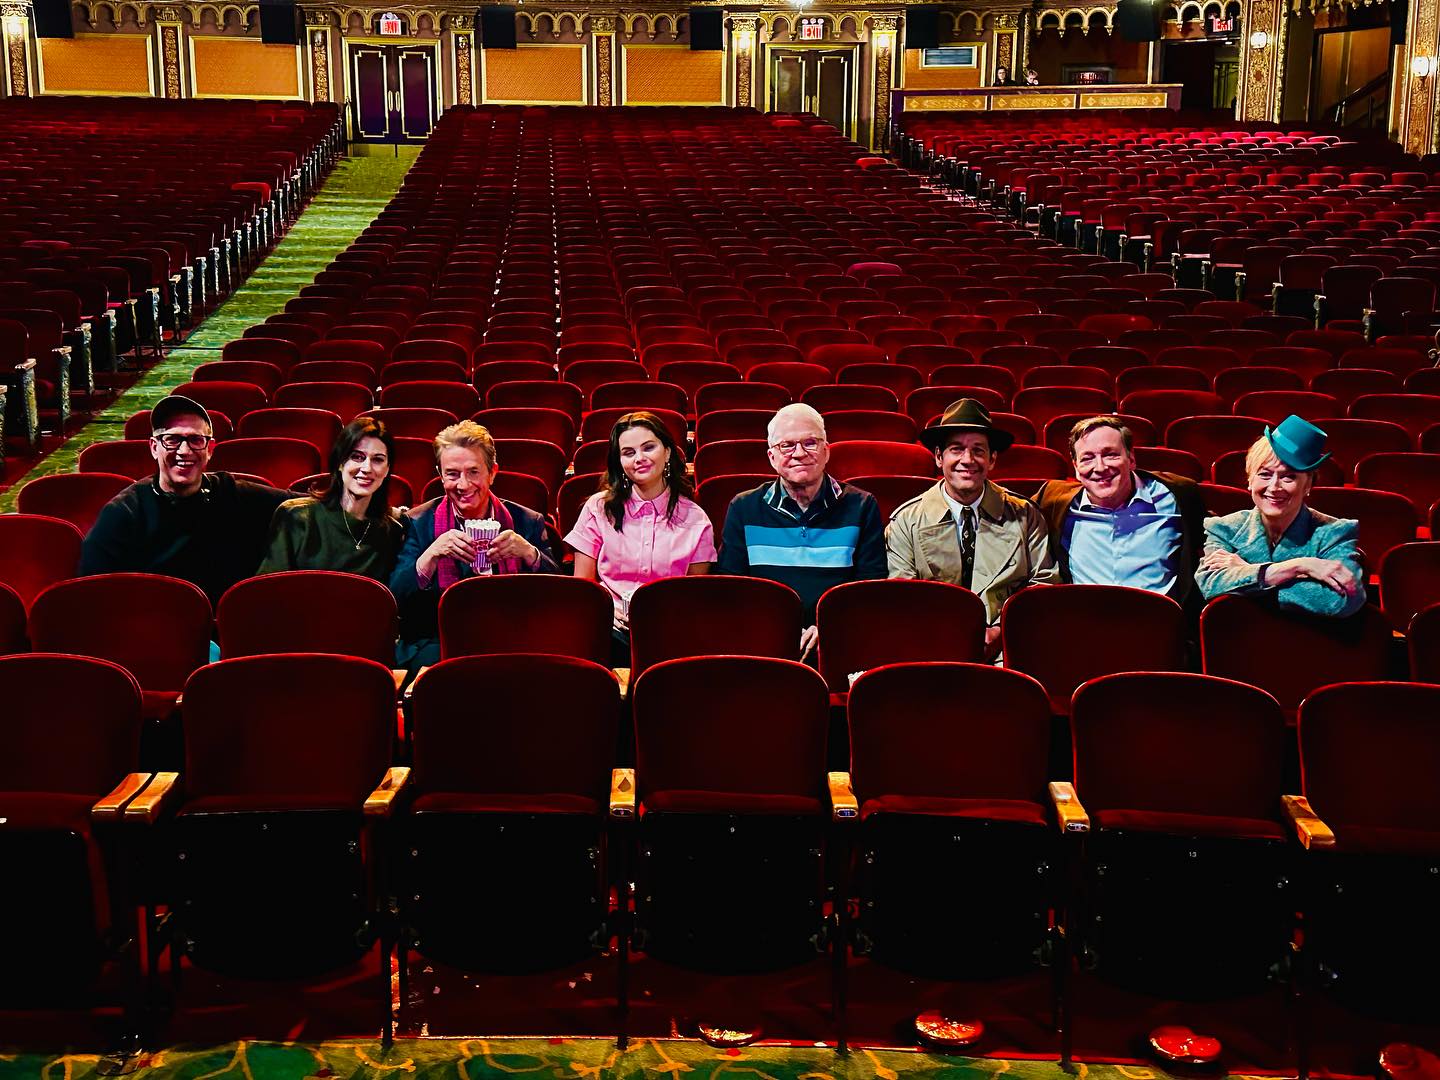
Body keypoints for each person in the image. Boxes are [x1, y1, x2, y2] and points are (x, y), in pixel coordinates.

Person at [887, 398, 1059, 659]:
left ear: (992, 459)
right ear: (939, 457)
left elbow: (1043, 585)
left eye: (978, 450)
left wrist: (1001, 630)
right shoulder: (905, 521)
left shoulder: (1026, 516)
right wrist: (949, 636)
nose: (967, 460)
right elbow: (903, 596)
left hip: (1011, 645)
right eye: (956, 449)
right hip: (930, 645)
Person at [80, 394, 291, 606]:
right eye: (172, 440)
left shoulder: (231, 493)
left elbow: (303, 505)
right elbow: (92, 590)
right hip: (155, 620)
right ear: (154, 447)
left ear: (210, 449)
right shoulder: (126, 512)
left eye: (195, 440)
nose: (184, 451)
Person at [717, 403, 887, 657]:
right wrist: (777, 630)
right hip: (762, 640)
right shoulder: (744, 507)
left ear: (826, 451)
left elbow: (869, 587)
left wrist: (827, 626)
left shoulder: (862, 506)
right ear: (772, 457)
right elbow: (732, 588)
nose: (799, 453)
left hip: (839, 641)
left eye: (810, 443)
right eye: (787, 445)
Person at [390, 420, 559, 669]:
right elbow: (395, 595)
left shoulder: (527, 521)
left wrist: (529, 553)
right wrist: (430, 555)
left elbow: (559, 592)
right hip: (439, 639)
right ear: (440, 475)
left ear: (492, 473)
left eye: (473, 472)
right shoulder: (418, 521)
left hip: (512, 635)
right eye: (452, 474)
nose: (463, 485)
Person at [565, 411, 716, 663]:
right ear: (619, 461)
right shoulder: (598, 508)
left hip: (670, 634)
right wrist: (606, 611)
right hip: (608, 629)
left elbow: (693, 598)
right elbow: (583, 589)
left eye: (648, 448)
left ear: (667, 452)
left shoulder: (696, 519)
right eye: (628, 452)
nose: (639, 459)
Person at [1195, 415, 1365, 617]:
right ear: (1249, 480)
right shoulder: (1224, 528)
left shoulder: (1335, 532)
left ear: (1308, 485)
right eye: (1264, 474)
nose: (1274, 487)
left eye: (1288, 477)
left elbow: (1341, 599)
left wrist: (1250, 574)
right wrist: (1298, 566)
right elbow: (1210, 584)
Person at [1035, 415, 1206, 611]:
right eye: (1087, 458)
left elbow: (1215, 538)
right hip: (1084, 623)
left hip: (1161, 622)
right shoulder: (1053, 501)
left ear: (1131, 459)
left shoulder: (1179, 494)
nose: (1100, 467)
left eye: (1110, 455)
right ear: (1075, 467)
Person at [257, 417, 405, 580]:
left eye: (378, 459)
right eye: (357, 457)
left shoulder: (391, 533)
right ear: (340, 463)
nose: (367, 468)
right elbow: (268, 588)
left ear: (387, 469)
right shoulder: (296, 516)